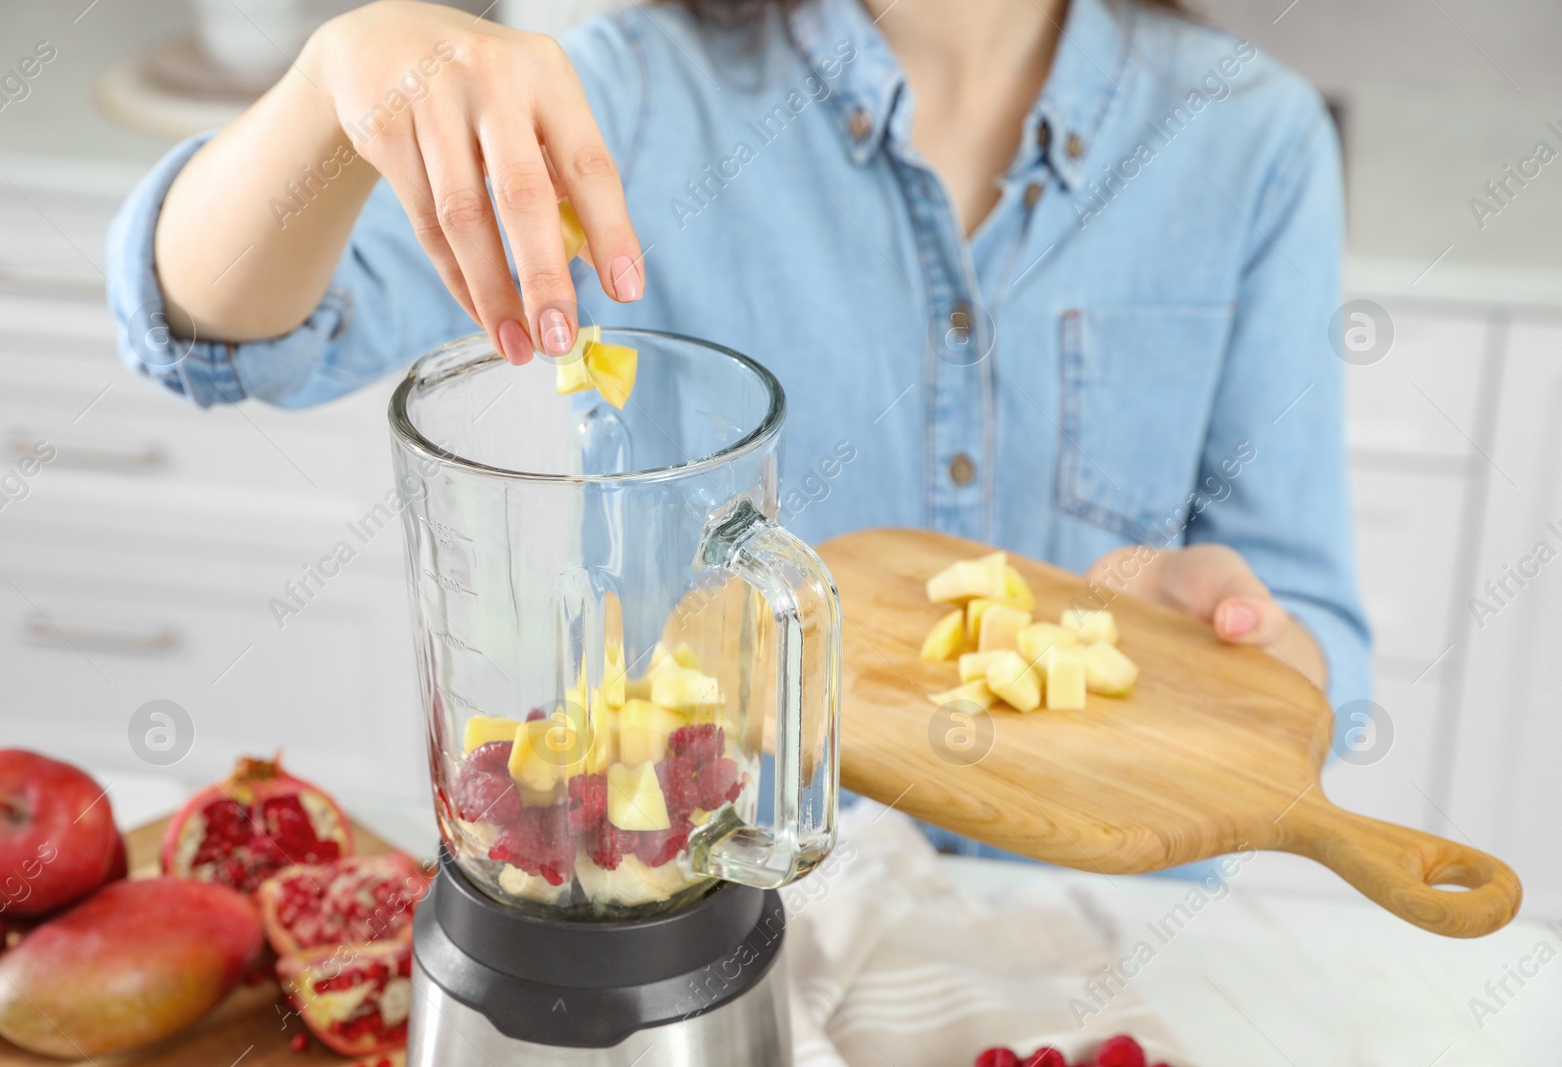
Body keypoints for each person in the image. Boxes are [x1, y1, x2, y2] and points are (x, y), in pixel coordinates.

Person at [107, 0, 1370, 851]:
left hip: (1106, 947)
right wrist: (337, 81)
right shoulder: (627, 84)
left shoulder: (1251, 139)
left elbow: (1317, 639)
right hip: (703, 895)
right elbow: (217, 339)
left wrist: (1245, 646)